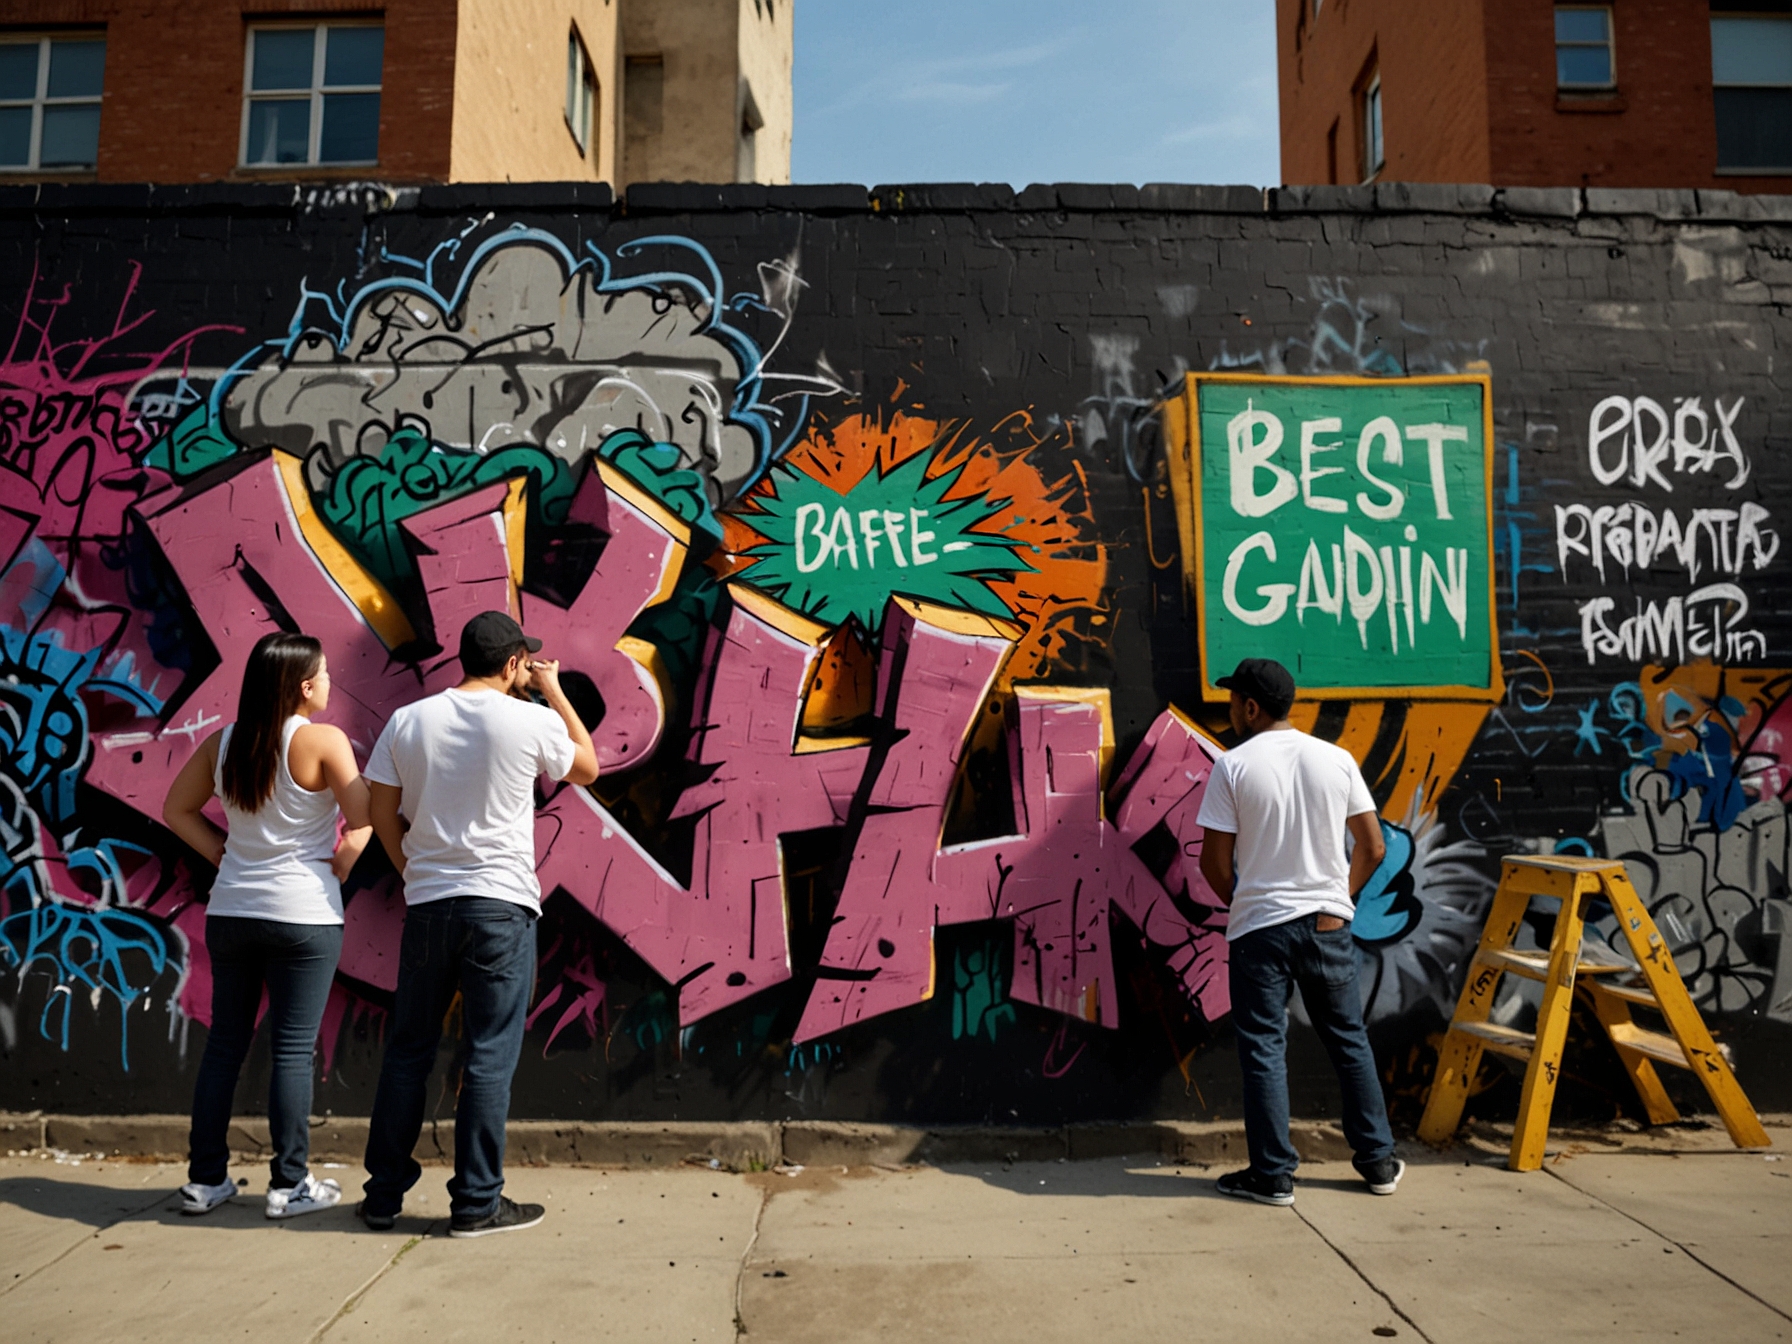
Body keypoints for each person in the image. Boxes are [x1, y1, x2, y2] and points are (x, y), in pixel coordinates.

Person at [358, 610, 598, 1238]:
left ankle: (382, 1197)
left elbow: (382, 810)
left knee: (408, 1050)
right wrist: (555, 690)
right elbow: (589, 767)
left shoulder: (409, 721)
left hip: (431, 904)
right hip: (500, 906)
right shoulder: (532, 719)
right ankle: (475, 1204)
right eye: (527, 664)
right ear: (515, 662)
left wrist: (412, 869)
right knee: (488, 1054)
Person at [162, 632, 373, 1218]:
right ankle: (289, 1185)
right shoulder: (323, 741)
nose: (331, 682)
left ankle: (205, 1181)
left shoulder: (222, 743)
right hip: (304, 915)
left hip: (232, 911)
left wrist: (224, 856)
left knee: (224, 1045)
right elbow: (365, 817)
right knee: (291, 1050)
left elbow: (175, 810)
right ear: (305, 686)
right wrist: (344, 857)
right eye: (325, 674)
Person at [1196, 657, 1400, 1207]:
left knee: (1264, 1046)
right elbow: (1374, 846)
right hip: (1327, 925)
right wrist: (1340, 901)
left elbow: (1213, 863)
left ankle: (1273, 1176)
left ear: (1252, 707)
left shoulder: (1233, 766)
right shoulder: (1336, 760)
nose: (1231, 709)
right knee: (1348, 1040)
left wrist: (1246, 905)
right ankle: (1378, 1162)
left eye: (1234, 700)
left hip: (1260, 930)